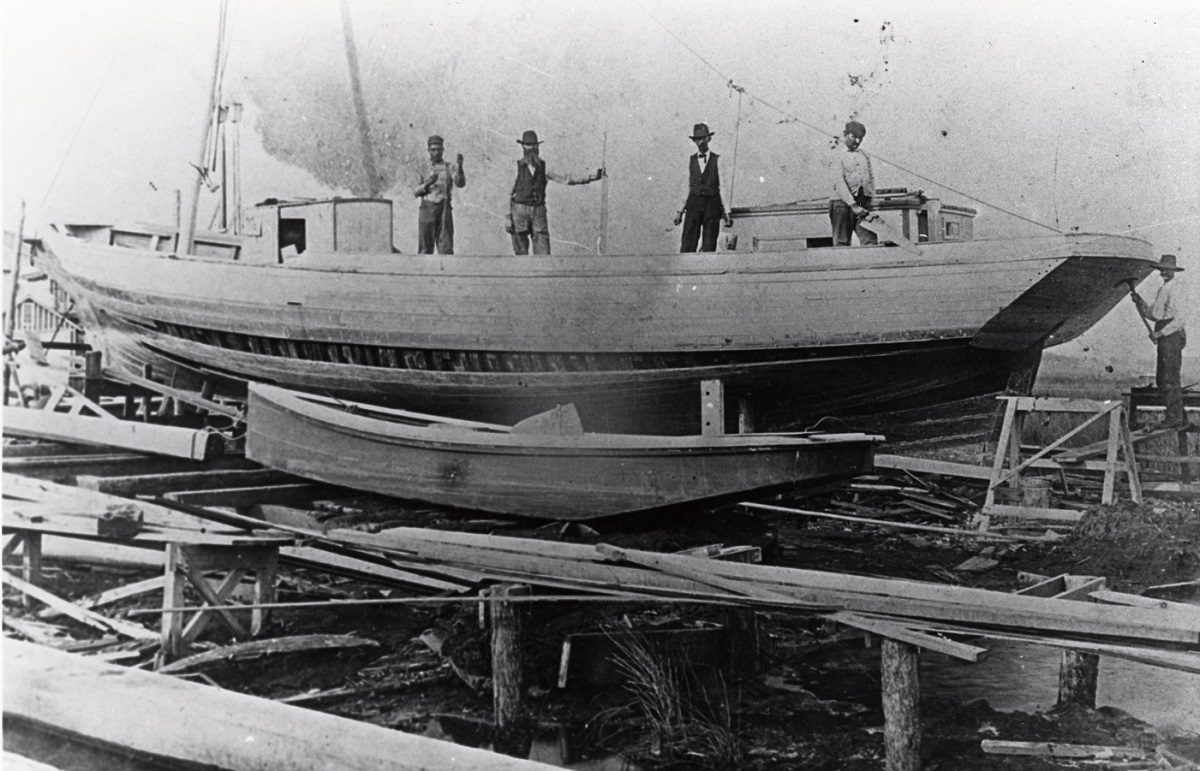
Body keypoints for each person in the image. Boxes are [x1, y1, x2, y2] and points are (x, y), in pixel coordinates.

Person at [506, 130, 604, 255]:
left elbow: (567, 179)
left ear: (537, 147)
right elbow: (508, 194)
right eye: (528, 145)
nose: (531, 148)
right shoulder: (516, 167)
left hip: (538, 211)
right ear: (523, 147)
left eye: (533, 145)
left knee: (543, 253)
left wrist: (592, 176)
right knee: (520, 252)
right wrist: (508, 218)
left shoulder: (544, 167)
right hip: (519, 212)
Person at [1132, 254, 1189, 428]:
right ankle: (1180, 417)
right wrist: (1140, 303)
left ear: (1173, 270)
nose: (1163, 272)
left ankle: (1174, 418)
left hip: (1171, 336)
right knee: (1163, 378)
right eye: (1161, 269)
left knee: (1169, 378)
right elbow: (1155, 315)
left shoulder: (1175, 288)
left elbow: (1180, 319)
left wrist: (1161, 333)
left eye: (1166, 269)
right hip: (1165, 336)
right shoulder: (1163, 289)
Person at [674, 123, 731, 253]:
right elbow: (686, 187)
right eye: (697, 139)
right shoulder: (690, 160)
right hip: (693, 205)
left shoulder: (718, 160)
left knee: (709, 243)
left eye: (703, 138)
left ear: (708, 139)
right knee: (688, 241)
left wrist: (727, 212)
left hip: (712, 205)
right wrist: (679, 212)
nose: (700, 142)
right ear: (694, 141)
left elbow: (723, 186)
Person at [413, 135, 466, 254]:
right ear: (428, 150)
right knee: (425, 248)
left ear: (443, 150)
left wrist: (460, 168)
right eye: (433, 150)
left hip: (444, 209)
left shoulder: (449, 167)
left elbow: (460, 183)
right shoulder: (422, 167)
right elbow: (415, 192)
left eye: (439, 149)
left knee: (446, 248)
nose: (436, 153)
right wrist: (427, 184)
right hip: (427, 209)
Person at [829, 120, 878, 247]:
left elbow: (870, 179)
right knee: (842, 243)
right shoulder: (837, 155)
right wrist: (853, 205)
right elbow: (839, 183)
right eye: (854, 137)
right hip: (842, 204)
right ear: (845, 134)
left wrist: (871, 203)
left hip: (863, 203)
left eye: (860, 138)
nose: (857, 141)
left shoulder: (864, 155)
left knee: (870, 241)